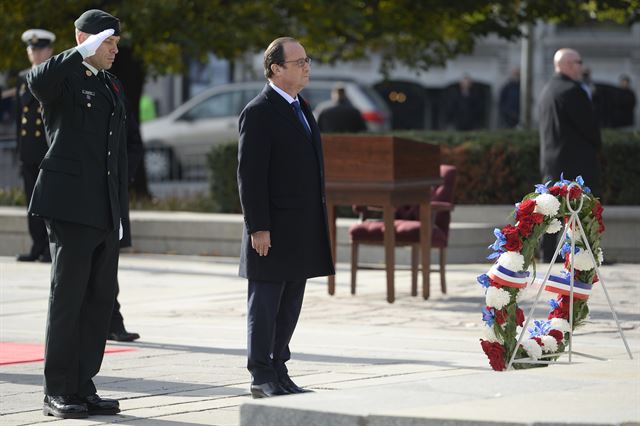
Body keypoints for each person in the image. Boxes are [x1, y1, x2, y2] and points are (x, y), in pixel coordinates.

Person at [27, 9, 128, 419]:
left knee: (98, 302)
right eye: (107, 42)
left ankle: (84, 385)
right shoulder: (64, 78)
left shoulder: (111, 85)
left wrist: (120, 213)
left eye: (116, 43)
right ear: (85, 39)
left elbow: (116, 155)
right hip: (70, 208)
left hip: (104, 209)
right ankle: (57, 390)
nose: (114, 50)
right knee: (67, 300)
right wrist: (78, 50)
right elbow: (38, 81)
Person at [237, 36, 334, 399]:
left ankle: (279, 368)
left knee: (290, 303)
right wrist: (258, 227)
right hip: (272, 230)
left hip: (300, 228)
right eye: (299, 62)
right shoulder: (260, 110)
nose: (307, 66)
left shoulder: (301, 106)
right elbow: (250, 174)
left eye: (307, 59)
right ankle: (260, 373)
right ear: (276, 69)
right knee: (265, 305)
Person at [538, 48, 602, 262]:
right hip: (576, 162)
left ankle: (549, 254)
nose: (581, 67)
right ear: (565, 64)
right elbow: (590, 127)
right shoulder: (572, 91)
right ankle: (584, 257)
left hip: (552, 160)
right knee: (581, 211)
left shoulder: (548, 89)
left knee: (551, 209)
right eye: (578, 62)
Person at [15, 29, 55, 263]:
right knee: (31, 201)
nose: (35, 54)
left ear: (49, 51)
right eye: (32, 50)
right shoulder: (23, 78)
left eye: (39, 49)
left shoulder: (52, 76)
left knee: (48, 202)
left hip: (46, 150)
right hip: (28, 150)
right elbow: (21, 116)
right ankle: (36, 246)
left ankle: (50, 248)